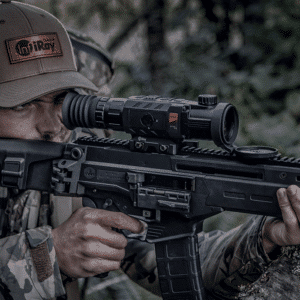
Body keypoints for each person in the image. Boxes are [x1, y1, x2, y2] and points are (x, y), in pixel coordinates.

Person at [0, 1, 300, 300]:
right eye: (21, 105)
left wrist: (265, 237)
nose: (51, 125)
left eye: (60, 101)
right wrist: (47, 256)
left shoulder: (75, 156)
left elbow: (162, 260)